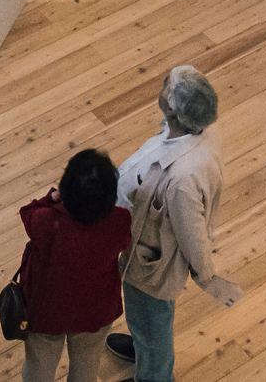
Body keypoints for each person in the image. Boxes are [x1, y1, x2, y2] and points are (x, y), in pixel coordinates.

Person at [106, 67, 241, 382]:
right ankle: (146, 352)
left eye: (167, 86)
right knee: (146, 321)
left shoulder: (182, 180)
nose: (164, 84)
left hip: (152, 265)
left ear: (172, 109)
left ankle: (154, 374)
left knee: (153, 321)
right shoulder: (192, 132)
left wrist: (208, 277)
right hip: (141, 246)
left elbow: (192, 233)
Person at [19, 149, 132, 382]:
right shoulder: (120, 221)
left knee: (40, 363)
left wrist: (51, 198)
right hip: (95, 309)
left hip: (46, 309)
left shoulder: (47, 221)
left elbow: (27, 213)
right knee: (87, 363)